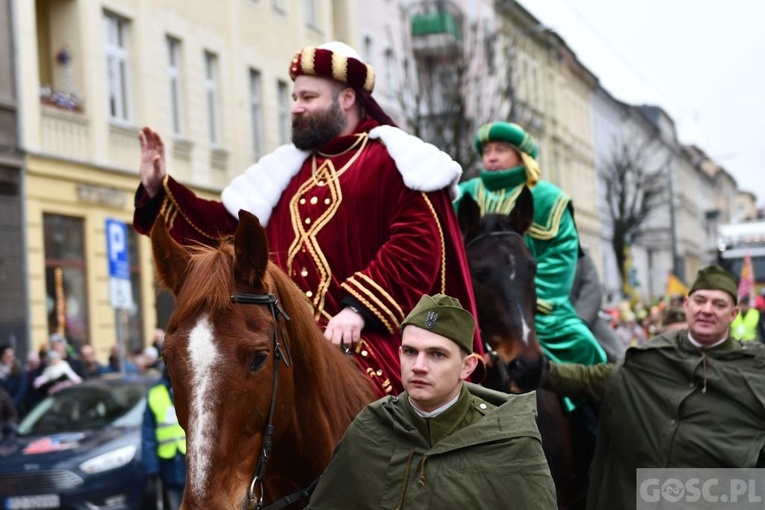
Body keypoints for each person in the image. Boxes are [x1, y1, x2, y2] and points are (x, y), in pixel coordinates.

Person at [133, 41, 483, 396]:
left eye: (309, 98)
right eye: (295, 98)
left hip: (367, 340)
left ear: (347, 99)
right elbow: (221, 231)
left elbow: (416, 243)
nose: (296, 108)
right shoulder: (283, 171)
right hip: (286, 348)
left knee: (394, 426)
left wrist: (358, 310)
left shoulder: (393, 161)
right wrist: (158, 189)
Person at [510, 265, 765, 509]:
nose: (707, 310)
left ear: (733, 314)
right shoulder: (652, 357)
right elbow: (595, 378)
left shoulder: (754, 370)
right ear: (687, 305)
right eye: (700, 301)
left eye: (719, 304)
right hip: (653, 497)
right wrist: (545, 373)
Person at [307, 294, 556, 509]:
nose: (419, 367)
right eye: (410, 352)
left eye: (437, 354)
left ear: (467, 366)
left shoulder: (509, 440)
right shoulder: (371, 425)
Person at [455, 121, 606, 409]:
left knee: (586, 346)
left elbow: (561, 256)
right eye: (487, 151)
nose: (492, 157)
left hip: (539, 307)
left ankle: (595, 428)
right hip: (479, 310)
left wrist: (532, 304)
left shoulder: (550, 199)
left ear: (522, 155)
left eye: (501, 150)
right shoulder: (462, 194)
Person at [142, 367, 186, 510]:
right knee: (174, 502)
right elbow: (148, 432)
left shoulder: (189, 387)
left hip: (191, 458)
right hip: (168, 461)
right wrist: (151, 466)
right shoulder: (155, 393)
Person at [570, 247, 625, 361]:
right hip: (543, 324)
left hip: (585, 320)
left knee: (620, 358)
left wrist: (577, 323)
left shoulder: (579, 252)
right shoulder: (529, 250)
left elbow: (592, 289)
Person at [0, 345, 27, 418]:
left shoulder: (18, 371)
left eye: (11, 355)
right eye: (7, 355)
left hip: (15, 409)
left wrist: (10, 405)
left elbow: (21, 391)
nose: (9, 357)